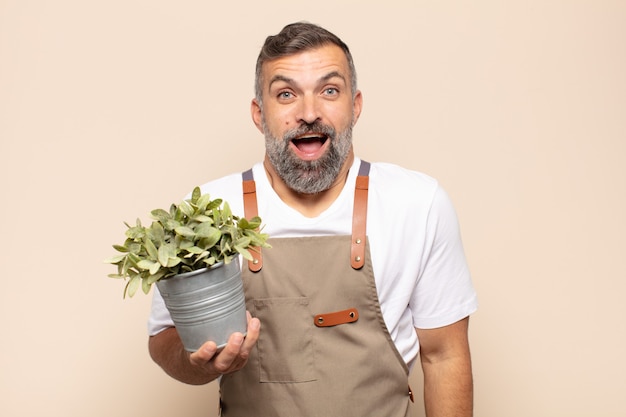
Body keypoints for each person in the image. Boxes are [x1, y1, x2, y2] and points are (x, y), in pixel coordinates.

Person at [147, 22, 477, 417]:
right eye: (285, 94)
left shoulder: (418, 204)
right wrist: (195, 363)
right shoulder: (208, 212)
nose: (308, 113)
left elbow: (444, 358)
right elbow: (164, 339)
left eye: (329, 91)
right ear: (259, 113)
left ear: (354, 105)